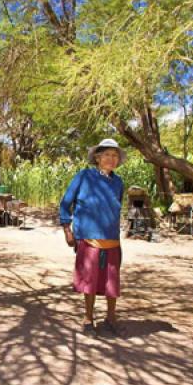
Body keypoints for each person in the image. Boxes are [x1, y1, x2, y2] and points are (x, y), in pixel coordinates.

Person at [59, 138, 126, 335]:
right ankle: (88, 319)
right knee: (89, 280)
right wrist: (67, 230)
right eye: (107, 155)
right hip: (89, 239)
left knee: (111, 281)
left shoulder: (118, 182)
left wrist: (119, 242)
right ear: (97, 157)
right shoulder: (84, 176)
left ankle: (110, 318)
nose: (111, 159)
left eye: (115, 156)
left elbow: (115, 211)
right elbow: (66, 203)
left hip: (112, 240)